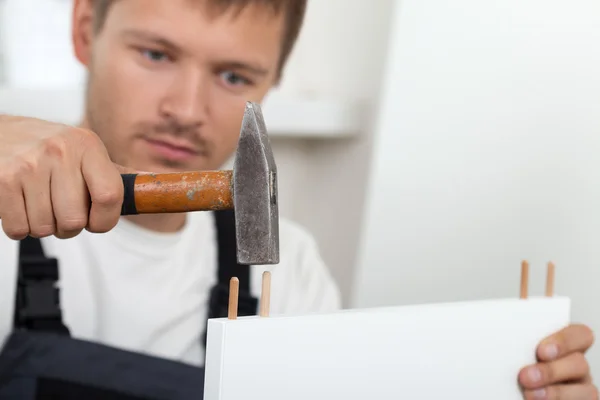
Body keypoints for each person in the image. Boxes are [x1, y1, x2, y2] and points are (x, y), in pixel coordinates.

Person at [0, 0, 595, 398]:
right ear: (84, 31)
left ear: (273, 82)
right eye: (155, 55)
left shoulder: (290, 273)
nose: (185, 110)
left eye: (233, 76)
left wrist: (513, 379)